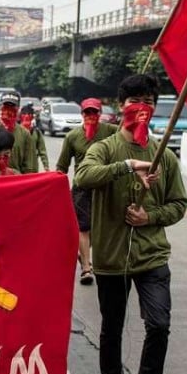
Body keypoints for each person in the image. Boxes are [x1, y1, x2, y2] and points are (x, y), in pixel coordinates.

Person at [73, 74, 187, 374]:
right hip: (109, 256)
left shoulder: (164, 154)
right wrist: (127, 167)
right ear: (121, 107)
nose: (141, 107)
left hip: (152, 256)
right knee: (112, 326)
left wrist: (149, 217)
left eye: (147, 101)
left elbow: (179, 204)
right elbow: (85, 176)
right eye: (133, 100)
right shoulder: (106, 148)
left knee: (159, 324)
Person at [56, 98, 119, 286]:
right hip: (82, 188)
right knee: (83, 227)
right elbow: (62, 166)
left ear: (100, 114)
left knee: (101, 227)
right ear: (82, 114)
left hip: (105, 186)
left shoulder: (110, 132)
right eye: (87, 113)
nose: (91, 116)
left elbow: (127, 136)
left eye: (94, 113)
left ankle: (89, 256)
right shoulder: (73, 137)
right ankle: (86, 267)